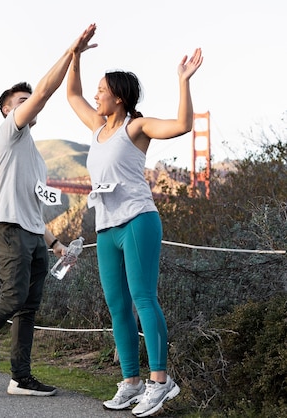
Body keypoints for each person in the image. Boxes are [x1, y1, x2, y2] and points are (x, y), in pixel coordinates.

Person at [66, 24, 203, 417]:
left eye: (102, 91)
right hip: (106, 228)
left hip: (139, 221)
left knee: (144, 299)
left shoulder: (135, 128)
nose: (96, 96)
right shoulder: (97, 128)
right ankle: (131, 382)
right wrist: (75, 54)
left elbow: (182, 125)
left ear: (119, 97)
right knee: (117, 306)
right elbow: (72, 93)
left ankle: (161, 381)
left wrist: (183, 81)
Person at [0, 32, 90, 400]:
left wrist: (55, 243)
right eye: (21, 101)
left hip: (31, 233)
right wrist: (71, 53)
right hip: (8, 229)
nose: (29, 105)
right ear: (8, 111)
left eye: (28, 101)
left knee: (28, 308)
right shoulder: (10, 132)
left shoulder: (36, 158)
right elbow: (43, 92)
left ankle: (20, 378)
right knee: (12, 298)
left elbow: (33, 209)